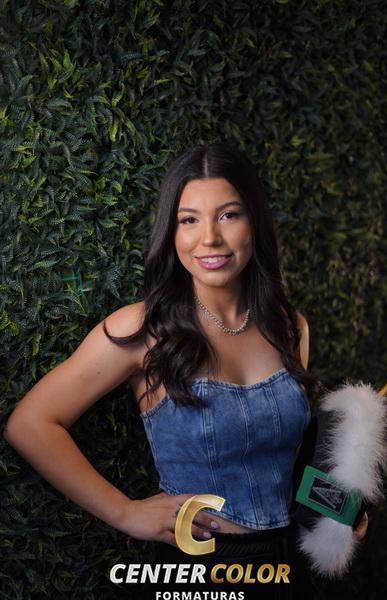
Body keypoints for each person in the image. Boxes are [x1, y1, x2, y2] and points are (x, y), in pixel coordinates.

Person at [4, 143, 368, 599]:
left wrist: (336, 510)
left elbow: (283, 455)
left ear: (255, 222)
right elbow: (30, 423)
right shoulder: (142, 330)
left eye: (229, 215)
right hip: (197, 567)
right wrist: (123, 511)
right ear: (171, 232)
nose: (209, 238)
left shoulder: (290, 326)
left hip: (288, 566)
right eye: (189, 219)